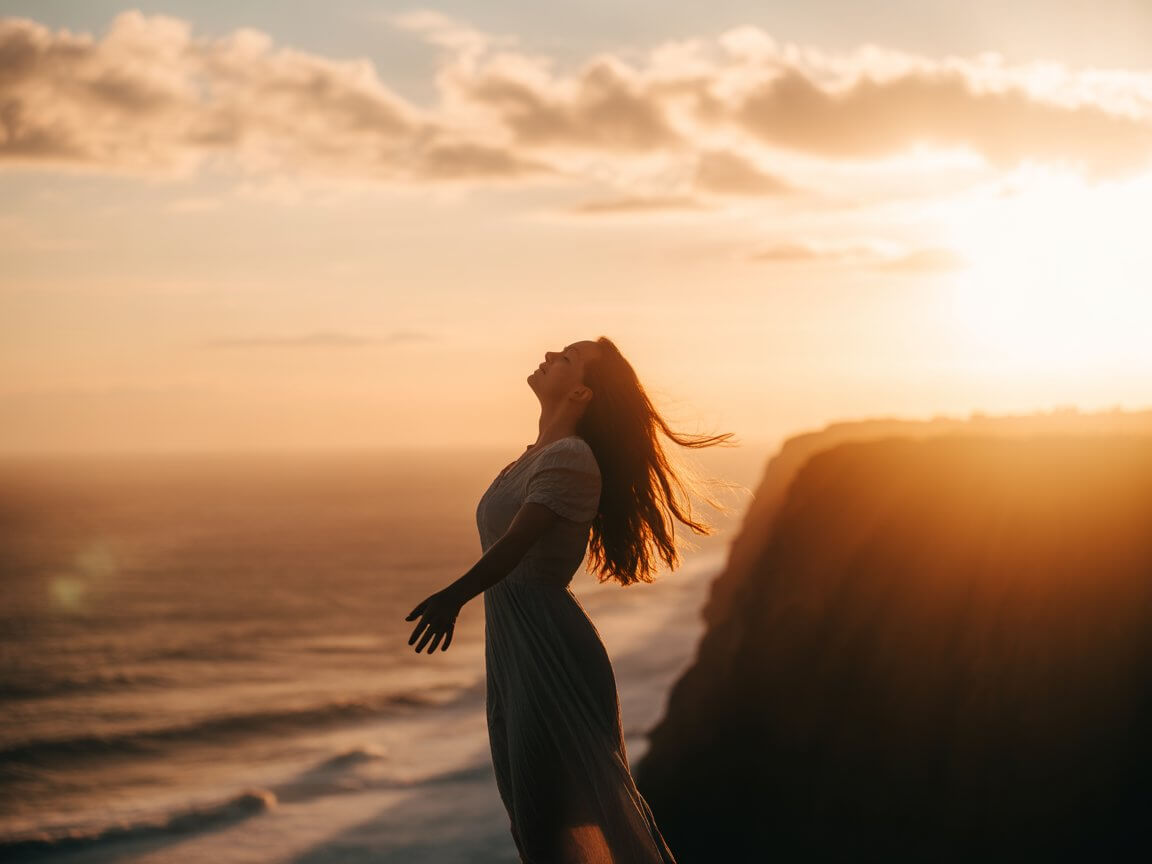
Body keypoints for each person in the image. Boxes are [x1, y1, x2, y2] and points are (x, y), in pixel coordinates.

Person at [405, 336, 735, 863]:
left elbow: (515, 544)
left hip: (548, 646)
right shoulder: (535, 455)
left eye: (567, 358)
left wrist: (453, 597)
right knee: (531, 809)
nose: (550, 354)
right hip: (515, 647)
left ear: (581, 393)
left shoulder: (572, 458)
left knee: (556, 815)